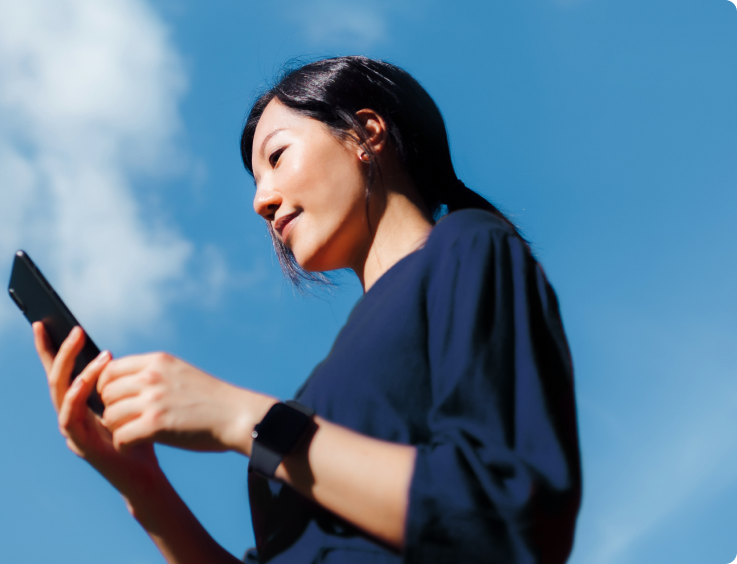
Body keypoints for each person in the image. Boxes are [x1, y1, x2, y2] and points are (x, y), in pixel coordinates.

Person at [33, 56, 581, 563]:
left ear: (367, 133)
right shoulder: (314, 396)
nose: (260, 200)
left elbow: (503, 513)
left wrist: (234, 415)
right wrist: (143, 486)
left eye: (276, 157)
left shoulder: (465, 247)